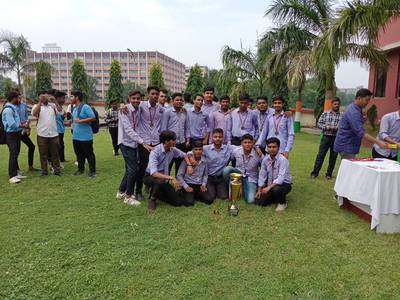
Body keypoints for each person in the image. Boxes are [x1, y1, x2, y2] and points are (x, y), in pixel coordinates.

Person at [116, 90, 153, 206]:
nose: (136, 100)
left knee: (130, 169)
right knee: (134, 169)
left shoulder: (140, 108)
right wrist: (143, 142)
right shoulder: (124, 110)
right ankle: (128, 196)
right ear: (129, 98)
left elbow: (151, 103)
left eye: (138, 98)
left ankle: (121, 191)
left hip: (133, 143)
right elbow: (128, 130)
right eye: (133, 98)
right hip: (125, 143)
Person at [143, 130, 194, 211]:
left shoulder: (173, 149)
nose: (175, 141)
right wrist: (171, 178)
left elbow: (184, 155)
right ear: (166, 141)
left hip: (164, 179)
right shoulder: (155, 152)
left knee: (178, 202)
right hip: (149, 177)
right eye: (173, 140)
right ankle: (152, 200)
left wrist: (189, 165)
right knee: (159, 181)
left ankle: (157, 192)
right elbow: (154, 173)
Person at [334, 88, 387, 159]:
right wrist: (378, 142)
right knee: (349, 168)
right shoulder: (353, 112)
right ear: (359, 98)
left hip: (349, 144)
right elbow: (361, 132)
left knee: (347, 168)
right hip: (346, 145)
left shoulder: (356, 109)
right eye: (366, 100)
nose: (368, 102)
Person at [136, 86, 165, 201]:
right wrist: (124, 107)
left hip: (156, 142)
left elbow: (170, 111)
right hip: (145, 142)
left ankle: (149, 186)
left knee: (154, 166)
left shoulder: (160, 108)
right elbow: (131, 107)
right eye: (153, 94)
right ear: (148, 94)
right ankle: (137, 191)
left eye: (157, 94)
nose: (155, 96)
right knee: (142, 167)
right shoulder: (141, 105)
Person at [223, 134, 263, 204]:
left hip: (251, 177)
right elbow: (229, 159)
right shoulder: (236, 151)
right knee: (227, 170)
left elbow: (264, 169)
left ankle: (245, 188)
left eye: (249, 142)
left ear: (253, 143)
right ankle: (230, 187)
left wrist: (261, 185)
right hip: (238, 174)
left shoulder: (258, 154)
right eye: (245, 142)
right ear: (241, 143)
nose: (247, 144)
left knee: (251, 200)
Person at [255, 137, 293, 212]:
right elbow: (262, 175)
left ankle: (282, 203)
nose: (271, 149)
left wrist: (268, 188)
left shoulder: (283, 160)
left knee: (276, 190)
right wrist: (259, 190)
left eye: (274, 147)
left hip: (284, 184)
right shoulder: (265, 160)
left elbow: (281, 178)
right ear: (267, 148)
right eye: (269, 147)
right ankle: (276, 197)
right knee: (259, 202)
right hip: (270, 184)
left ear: (278, 148)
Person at [310, 97, 342, 179]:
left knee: (333, 157)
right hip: (325, 137)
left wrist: (337, 128)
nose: (336, 105)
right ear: (332, 104)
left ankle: (328, 174)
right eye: (335, 104)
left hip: (336, 138)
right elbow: (319, 124)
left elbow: (343, 127)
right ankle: (315, 173)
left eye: (338, 104)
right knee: (320, 155)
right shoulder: (325, 113)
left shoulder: (342, 116)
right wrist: (326, 127)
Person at [2, 91, 29, 184]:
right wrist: (23, 126)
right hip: (11, 135)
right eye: (18, 98)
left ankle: (16, 173)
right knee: (13, 155)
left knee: (15, 154)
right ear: (13, 98)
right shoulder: (8, 109)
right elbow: (12, 124)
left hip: (15, 134)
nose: (19, 100)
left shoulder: (12, 108)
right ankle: (12, 176)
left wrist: (21, 125)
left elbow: (15, 123)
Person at [32, 91, 61, 176]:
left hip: (54, 134)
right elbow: (34, 113)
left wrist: (55, 101)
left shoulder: (53, 105)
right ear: (39, 97)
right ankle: (44, 171)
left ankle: (57, 170)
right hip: (42, 134)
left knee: (55, 153)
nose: (45, 98)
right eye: (42, 96)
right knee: (43, 154)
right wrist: (40, 102)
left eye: (46, 96)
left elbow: (60, 111)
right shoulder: (36, 106)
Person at [176, 140, 213, 206]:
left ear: (202, 150)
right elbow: (179, 175)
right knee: (189, 203)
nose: (198, 151)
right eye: (196, 149)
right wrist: (186, 187)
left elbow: (205, 175)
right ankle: (185, 193)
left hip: (199, 185)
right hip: (189, 184)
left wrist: (204, 184)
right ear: (192, 150)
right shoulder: (187, 160)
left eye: (200, 149)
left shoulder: (204, 161)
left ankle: (195, 195)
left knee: (209, 200)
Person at [161, 92, 190, 174]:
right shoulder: (167, 112)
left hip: (181, 143)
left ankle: (179, 185)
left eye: (181, 100)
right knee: (168, 166)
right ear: (172, 101)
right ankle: (166, 184)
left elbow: (187, 127)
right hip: (170, 144)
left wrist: (187, 139)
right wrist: (166, 142)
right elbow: (164, 128)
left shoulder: (185, 112)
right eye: (177, 100)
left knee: (180, 166)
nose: (179, 102)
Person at [70, 90, 97, 177]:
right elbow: (74, 121)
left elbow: (93, 117)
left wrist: (80, 121)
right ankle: (80, 169)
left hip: (85, 136)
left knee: (89, 154)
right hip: (76, 136)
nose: (70, 98)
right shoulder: (74, 108)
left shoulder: (85, 107)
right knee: (79, 154)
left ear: (77, 97)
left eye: (72, 96)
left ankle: (92, 171)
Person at [203, 128, 234, 201]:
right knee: (211, 196)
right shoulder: (205, 149)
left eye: (220, 137)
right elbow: (191, 152)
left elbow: (239, 150)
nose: (217, 139)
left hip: (221, 178)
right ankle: (213, 190)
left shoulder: (228, 149)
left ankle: (219, 189)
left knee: (223, 197)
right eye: (215, 137)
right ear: (212, 138)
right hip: (209, 178)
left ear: (223, 138)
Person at [17, 94, 38, 172]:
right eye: (18, 97)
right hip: (15, 131)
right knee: (16, 150)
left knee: (32, 146)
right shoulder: (11, 106)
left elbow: (26, 117)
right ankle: (16, 169)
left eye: (20, 97)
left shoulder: (23, 105)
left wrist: (28, 128)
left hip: (23, 130)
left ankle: (30, 166)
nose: (19, 98)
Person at [54, 91, 67, 163]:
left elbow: (62, 118)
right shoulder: (54, 107)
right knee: (57, 146)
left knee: (61, 145)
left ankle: (62, 159)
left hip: (61, 130)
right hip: (56, 131)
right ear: (57, 98)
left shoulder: (60, 107)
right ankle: (57, 161)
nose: (64, 100)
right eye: (63, 98)